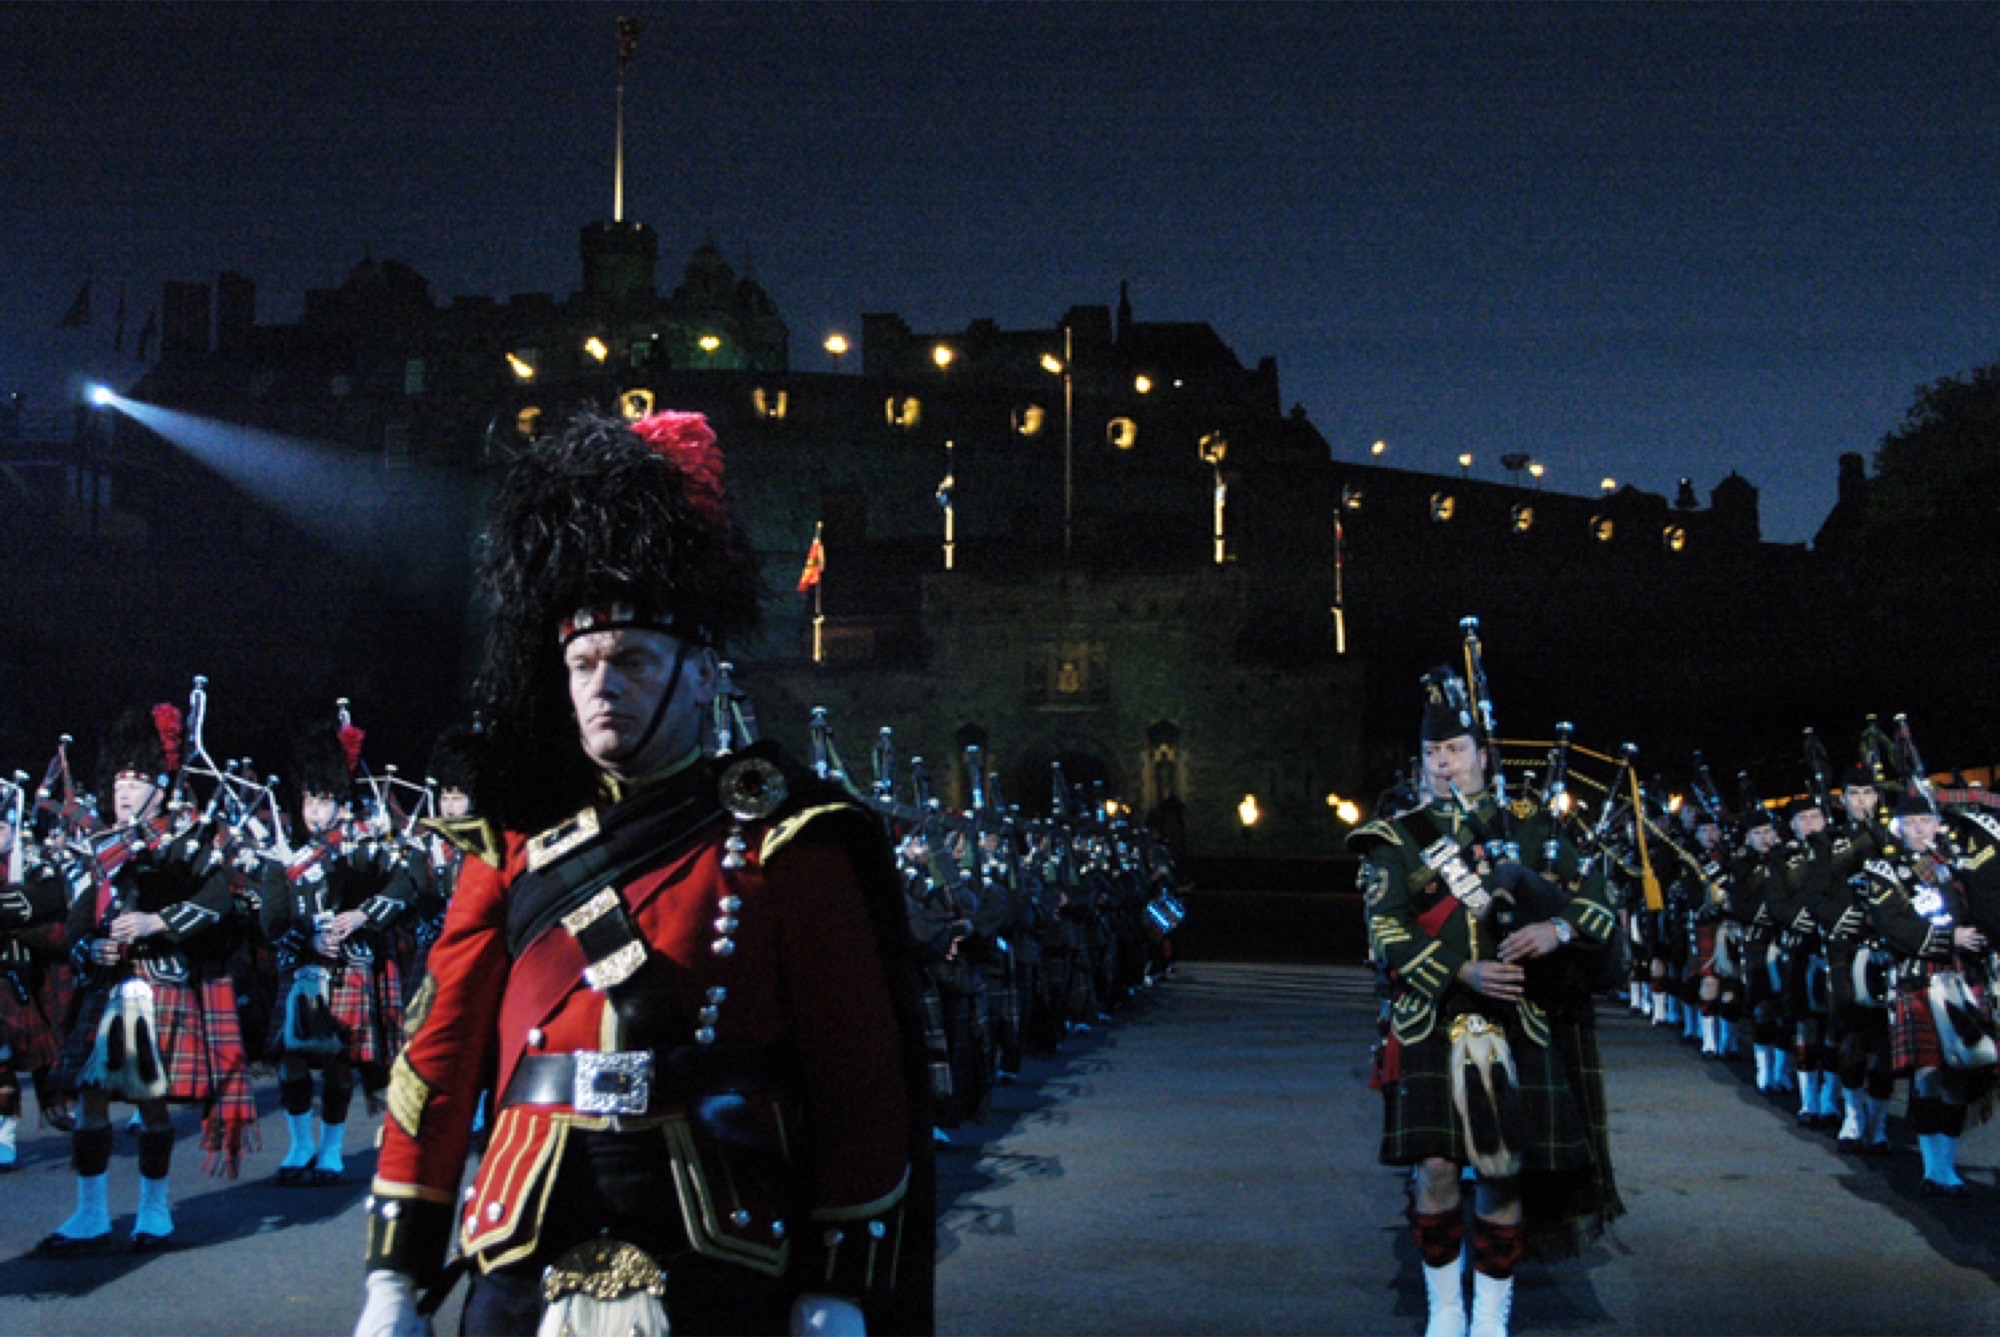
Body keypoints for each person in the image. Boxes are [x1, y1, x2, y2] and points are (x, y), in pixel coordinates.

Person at [356, 408, 932, 1337]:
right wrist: (396, 1271)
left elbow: (858, 1077)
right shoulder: (515, 837)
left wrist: (839, 1279)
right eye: (581, 660)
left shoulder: (792, 835)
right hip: (525, 1226)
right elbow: (438, 1054)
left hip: (725, 1234)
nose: (600, 684)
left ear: (704, 676)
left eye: (630, 658)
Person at [1352, 667, 1620, 1337]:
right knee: (1437, 1171)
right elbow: (1384, 928)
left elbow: (1599, 903)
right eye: (1431, 754)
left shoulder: (1528, 825)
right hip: (1434, 1016)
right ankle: (1447, 1308)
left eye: (1454, 750)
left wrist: (1555, 927)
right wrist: (1461, 968)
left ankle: (1491, 1315)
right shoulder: (1400, 834)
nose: (1442, 764)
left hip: (1520, 1020)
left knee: (1502, 1173)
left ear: (1482, 754)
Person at [38, 705, 255, 1253]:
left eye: (136, 783)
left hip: (160, 985)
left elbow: (218, 899)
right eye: (118, 783)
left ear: (161, 789)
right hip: (109, 988)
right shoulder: (101, 852)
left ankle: (154, 1213)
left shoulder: (183, 843)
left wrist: (157, 921)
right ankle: (90, 1214)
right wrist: (96, 945)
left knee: (150, 1102)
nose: (124, 792)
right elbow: (79, 924)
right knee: (91, 1097)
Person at [261, 722, 412, 1185]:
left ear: (342, 804)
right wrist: (307, 938)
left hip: (349, 967)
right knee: (292, 1059)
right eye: (308, 800)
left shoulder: (363, 851)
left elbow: (406, 885)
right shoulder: (286, 857)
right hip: (303, 967)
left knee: (338, 1062)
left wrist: (362, 916)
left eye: (324, 799)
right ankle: (299, 1145)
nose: (315, 810)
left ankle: (330, 1150)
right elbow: (272, 920)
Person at [1857, 789, 1990, 1195]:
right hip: (1919, 976)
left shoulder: (1957, 866)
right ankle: (1935, 1171)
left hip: (1965, 977)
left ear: (1937, 825)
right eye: (1910, 823)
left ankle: (1946, 1163)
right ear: (1897, 828)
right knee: (1930, 1073)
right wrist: (1949, 940)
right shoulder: (1883, 870)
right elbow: (1893, 925)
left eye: (1926, 821)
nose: (1919, 829)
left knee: (1963, 1074)